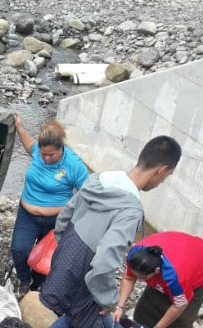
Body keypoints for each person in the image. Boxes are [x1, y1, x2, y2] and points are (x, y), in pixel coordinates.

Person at [39, 135, 182, 328]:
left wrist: (66, 254)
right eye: (165, 177)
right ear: (162, 170)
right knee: (90, 320)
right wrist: (108, 300)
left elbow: (64, 218)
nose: (161, 182)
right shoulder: (130, 210)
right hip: (88, 280)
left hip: (64, 265)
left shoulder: (100, 179)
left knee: (71, 318)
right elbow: (104, 260)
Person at [11, 113, 89, 298]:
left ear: (61, 148)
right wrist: (19, 127)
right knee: (19, 249)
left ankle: (37, 285)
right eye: (43, 153)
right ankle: (24, 279)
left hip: (57, 220)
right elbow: (29, 143)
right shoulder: (38, 152)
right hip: (27, 215)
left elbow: (87, 194)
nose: (45, 158)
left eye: (50, 155)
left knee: (46, 256)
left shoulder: (73, 165)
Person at [115, 232, 203, 328]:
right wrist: (119, 307)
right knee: (144, 311)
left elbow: (180, 305)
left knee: (179, 322)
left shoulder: (174, 277)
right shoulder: (136, 256)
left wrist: (159, 326)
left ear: (157, 270)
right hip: (177, 248)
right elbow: (128, 279)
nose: (139, 280)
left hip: (197, 265)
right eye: (136, 276)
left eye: (143, 277)